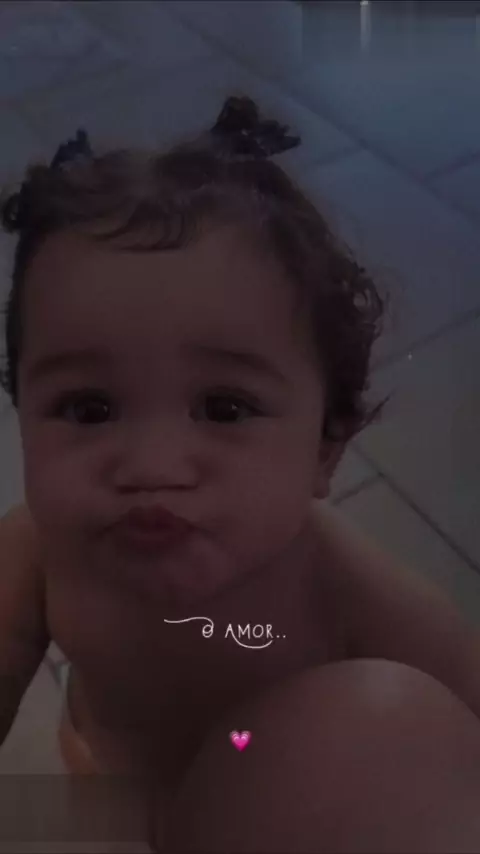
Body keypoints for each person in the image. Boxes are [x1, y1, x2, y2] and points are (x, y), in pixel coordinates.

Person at [1, 96, 480, 853]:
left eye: (224, 408)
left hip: (281, 803)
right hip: (110, 782)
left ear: (325, 448)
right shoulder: (37, 549)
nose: (152, 467)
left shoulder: (332, 575)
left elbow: (464, 685)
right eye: (89, 409)